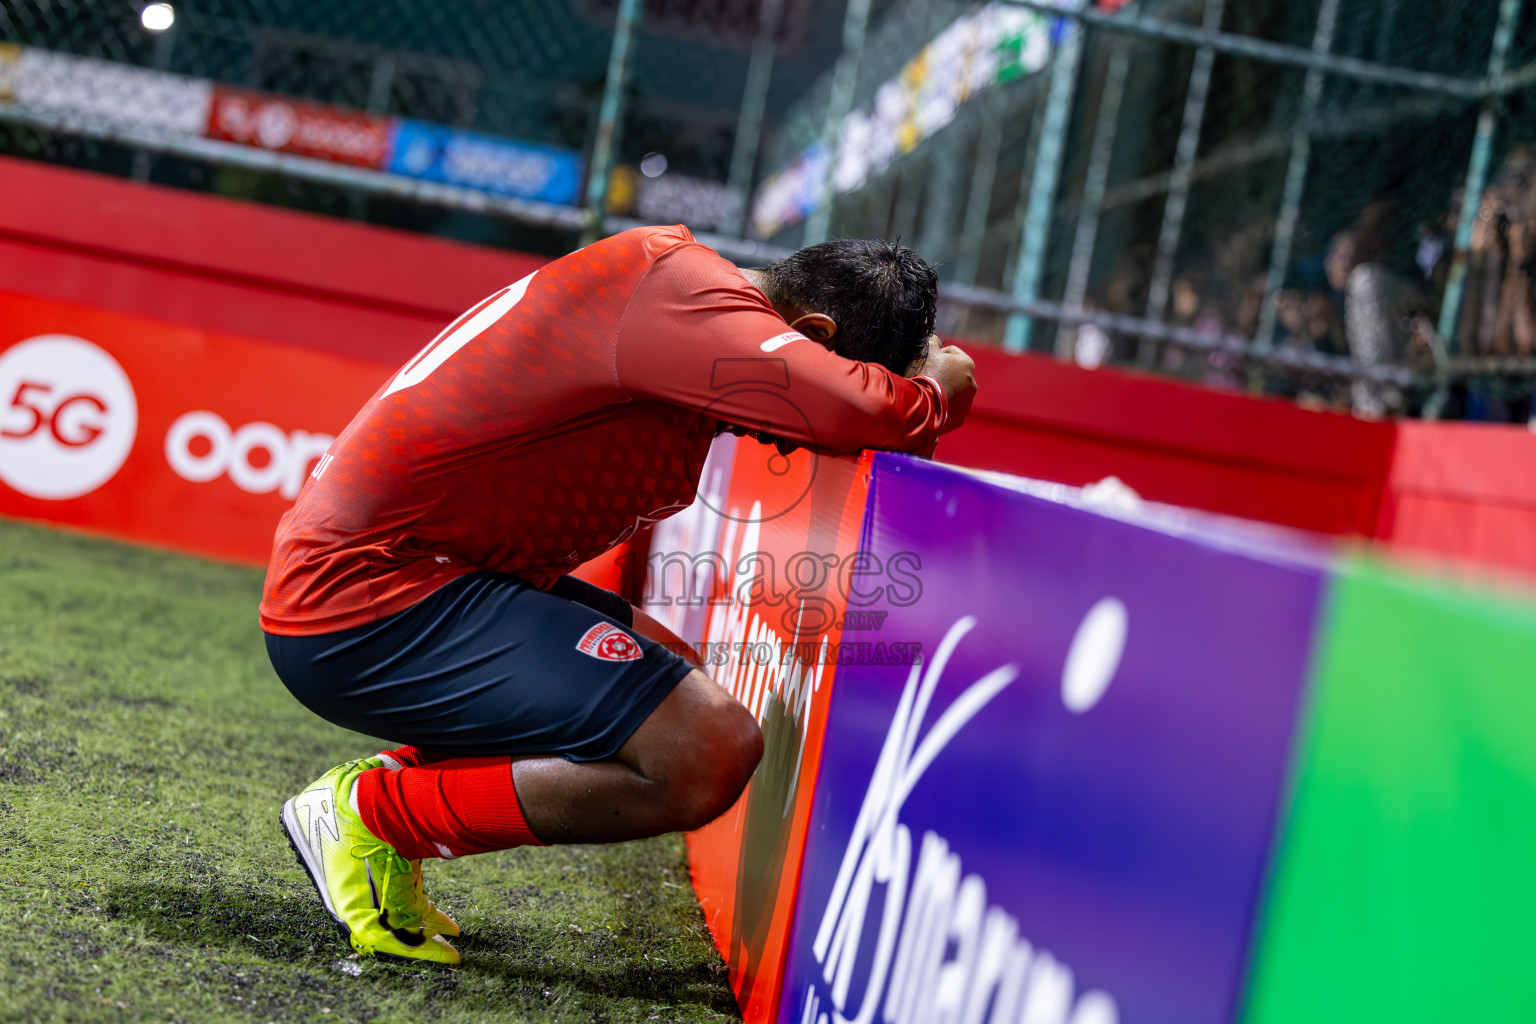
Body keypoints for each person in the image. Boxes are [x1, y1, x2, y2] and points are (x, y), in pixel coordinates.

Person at [261, 226, 977, 965]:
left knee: (674, 679)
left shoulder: (676, 293)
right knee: (706, 748)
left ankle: (381, 794)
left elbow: (845, 410)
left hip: (426, 579)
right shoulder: (681, 294)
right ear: (810, 334)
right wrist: (934, 393)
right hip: (367, 604)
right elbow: (861, 411)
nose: (794, 441)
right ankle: (374, 819)